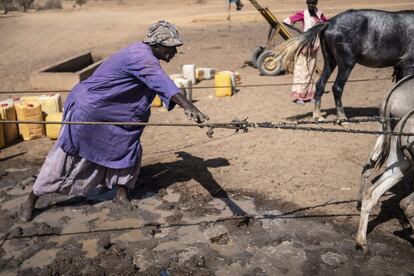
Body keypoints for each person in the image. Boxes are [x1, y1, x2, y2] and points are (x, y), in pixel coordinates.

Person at [18, 21, 209, 222]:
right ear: (157, 44)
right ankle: (32, 197)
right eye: (171, 47)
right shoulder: (141, 57)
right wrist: (188, 106)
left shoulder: (145, 55)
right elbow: (161, 81)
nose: (175, 52)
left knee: (129, 147)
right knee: (69, 155)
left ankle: (121, 192)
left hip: (116, 115)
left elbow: (158, 81)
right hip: (91, 110)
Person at [283, 0, 328, 105]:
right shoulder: (303, 14)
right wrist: (300, 32)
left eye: (313, 3)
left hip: (314, 46)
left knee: (311, 70)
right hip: (304, 46)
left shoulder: (319, 14)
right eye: (309, 3)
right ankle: (299, 96)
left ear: (316, 3)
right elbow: (286, 21)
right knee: (301, 70)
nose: (311, 5)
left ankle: (309, 95)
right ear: (307, 3)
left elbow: (327, 23)